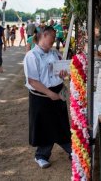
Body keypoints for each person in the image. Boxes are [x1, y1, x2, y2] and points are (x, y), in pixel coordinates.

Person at [23, 26, 71, 169]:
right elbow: (32, 81)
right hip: (41, 96)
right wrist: (50, 94)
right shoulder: (31, 56)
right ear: (44, 35)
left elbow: (62, 73)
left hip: (57, 92)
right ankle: (41, 155)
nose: (55, 40)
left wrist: (63, 74)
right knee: (45, 126)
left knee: (61, 123)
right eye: (53, 37)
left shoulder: (55, 53)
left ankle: (72, 150)